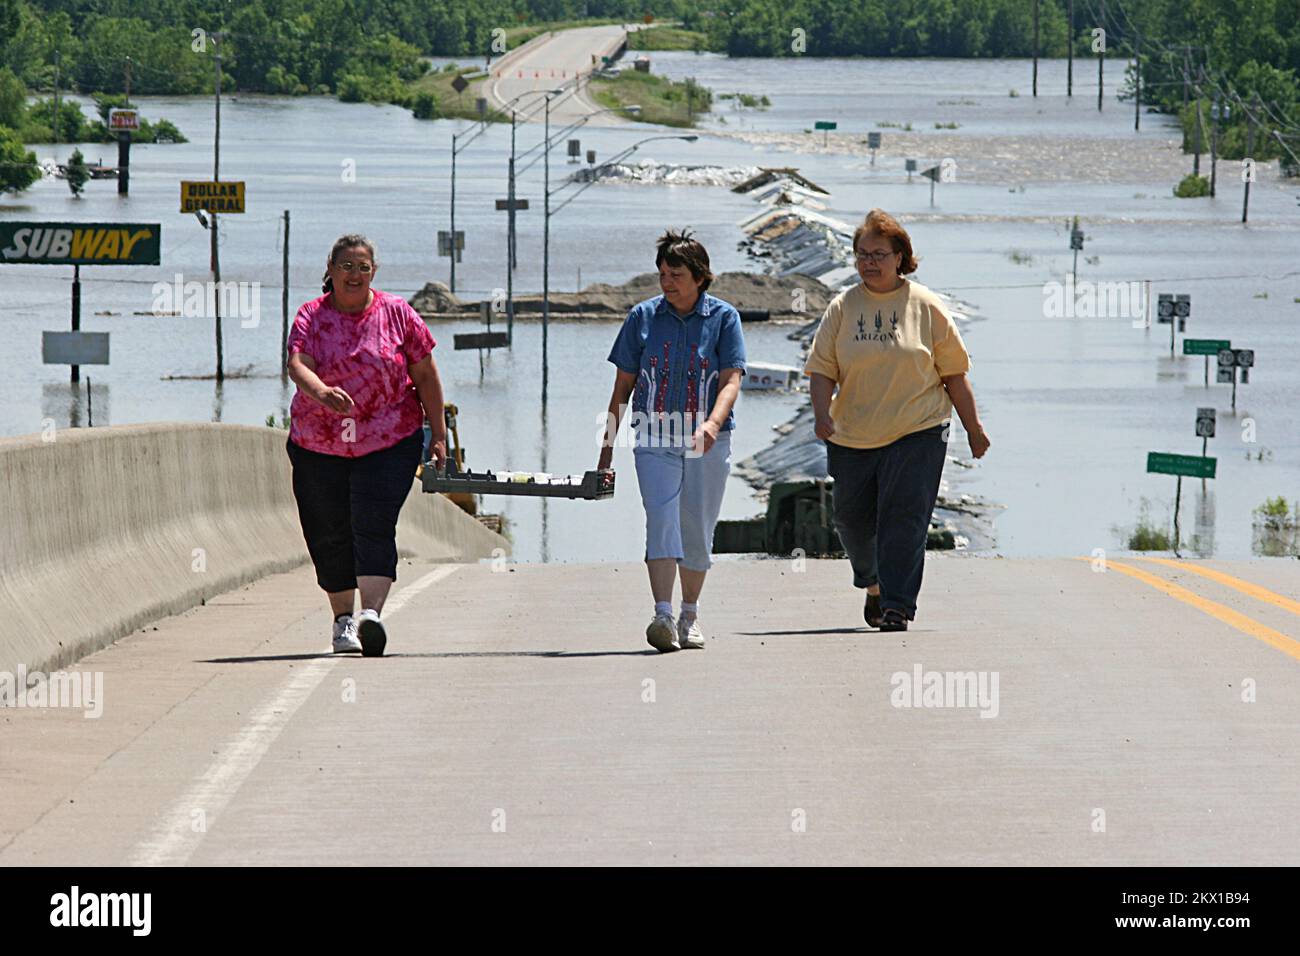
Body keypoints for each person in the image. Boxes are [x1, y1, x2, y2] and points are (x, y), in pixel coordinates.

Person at [805, 209, 990, 632]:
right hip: (852, 433)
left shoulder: (926, 306)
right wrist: (821, 414)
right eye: (862, 255)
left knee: (904, 519)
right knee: (851, 520)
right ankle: (872, 583)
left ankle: (897, 605)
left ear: (900, 256)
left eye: (879, 255)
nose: (869, 263)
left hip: (919, 430)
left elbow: (954, 376)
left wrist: (974, 430)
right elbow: (821, 370)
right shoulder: (843, 307)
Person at [285, 234, 448, 657]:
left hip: (389, 439)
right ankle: (343, 621)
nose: (354, 274)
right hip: (318, 443)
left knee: (373, 521)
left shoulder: (398, 314)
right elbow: (298, 364)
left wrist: (440, 435)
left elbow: (427, 375)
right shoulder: (312, 316)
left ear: (373, 272)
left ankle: (371, 616)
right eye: (346, 266)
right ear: (331, 270)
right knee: (329, 529)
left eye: (362, 267)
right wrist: (321, 393)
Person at [598, 230, 746, 652]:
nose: (667, 281)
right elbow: (622, 387)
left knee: (696, 527)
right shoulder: (642, 318)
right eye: (662, 273)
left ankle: (689, 614)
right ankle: (662, 615)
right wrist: (606, 448)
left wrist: (713, 425)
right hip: (653, 434)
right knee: (660, 519)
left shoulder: (723, 319)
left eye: (676, 273)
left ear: (700, 276)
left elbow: (731, 379)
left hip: (707, 440)